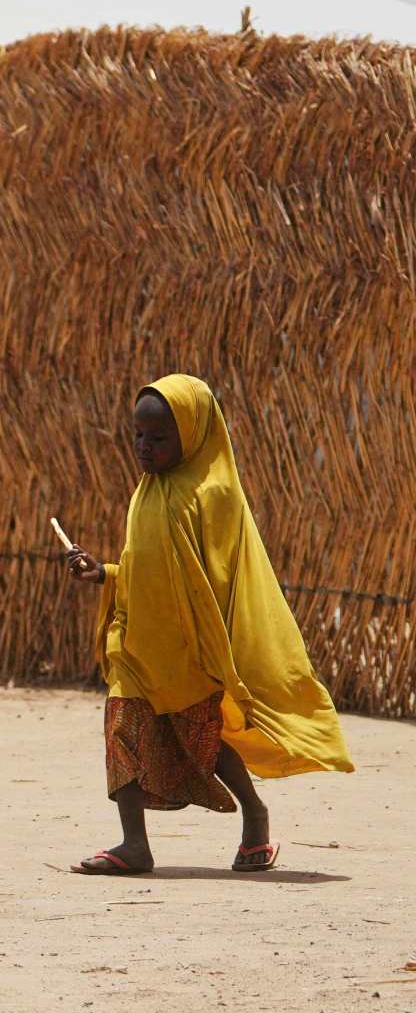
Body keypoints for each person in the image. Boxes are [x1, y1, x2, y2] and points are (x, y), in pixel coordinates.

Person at [65, 375, 352, 875]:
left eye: (158, 438)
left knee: (205, 742)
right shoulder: (148, 490)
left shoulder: (214, 493)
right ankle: (135, 844)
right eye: (137, 436)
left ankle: (256, 819)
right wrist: (104, 573)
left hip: (190, 648)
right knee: (120, 732)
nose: (143, 448)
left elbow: (219, 577)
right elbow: (146, 566)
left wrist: (215, 651)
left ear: (193, 435)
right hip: (137, 646)